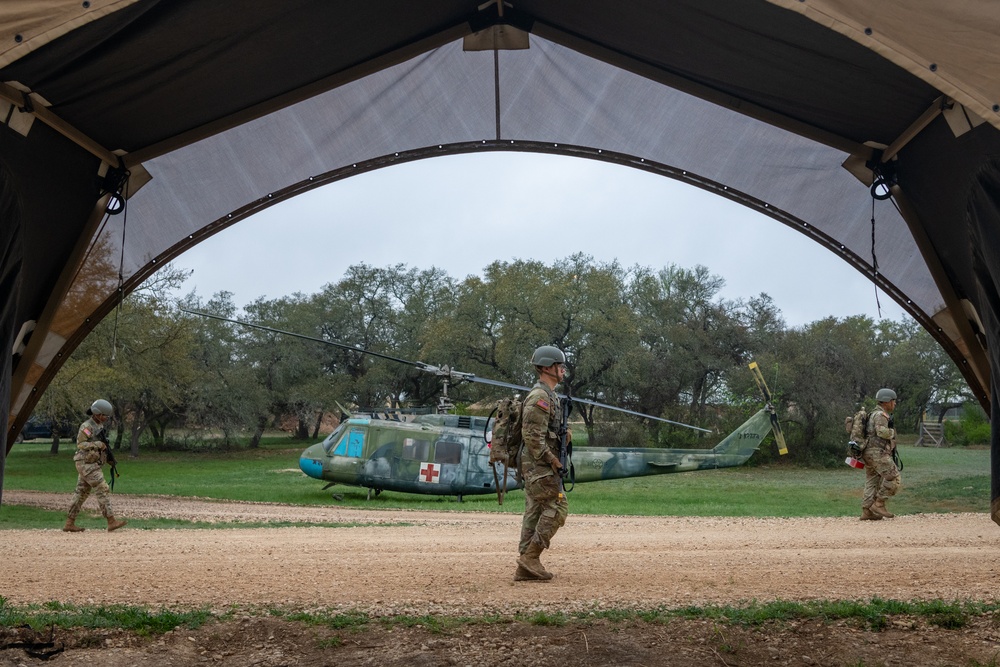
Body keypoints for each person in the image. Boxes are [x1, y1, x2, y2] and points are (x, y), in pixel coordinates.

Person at [514, 345, 569, 582]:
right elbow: (532, 437)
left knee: (536, 511)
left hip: (536, 464)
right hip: (538, 465)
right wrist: (553, 459)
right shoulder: (540, 397)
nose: (563, 370)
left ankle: (525, 566)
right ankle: (530, 557)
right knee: (557, 507)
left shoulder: (550, 395)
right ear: (547, 367)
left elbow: (543, 433)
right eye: (560, 365)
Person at [63, 399, 127, 532]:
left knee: (81, 492)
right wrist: (97, 445)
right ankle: (111, 521)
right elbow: (81, 444)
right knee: (102, 487)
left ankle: (69, 523)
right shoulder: (87, 426)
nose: (106, 418)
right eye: (104, 415)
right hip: (85, 463)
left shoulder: (99, 427)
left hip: (91, 463)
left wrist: (108, 458)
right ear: (97, 413)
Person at [860, 388, 901, 520]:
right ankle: (879, 503)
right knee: (894, 477)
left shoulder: (872, 413)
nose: (894, 404)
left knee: (872, 480)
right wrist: (893, 433)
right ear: (887, 401)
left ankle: (867, 511)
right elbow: (881, 432)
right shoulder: (881, 415)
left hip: (867, 453)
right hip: (878, 453)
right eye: (893, 401)